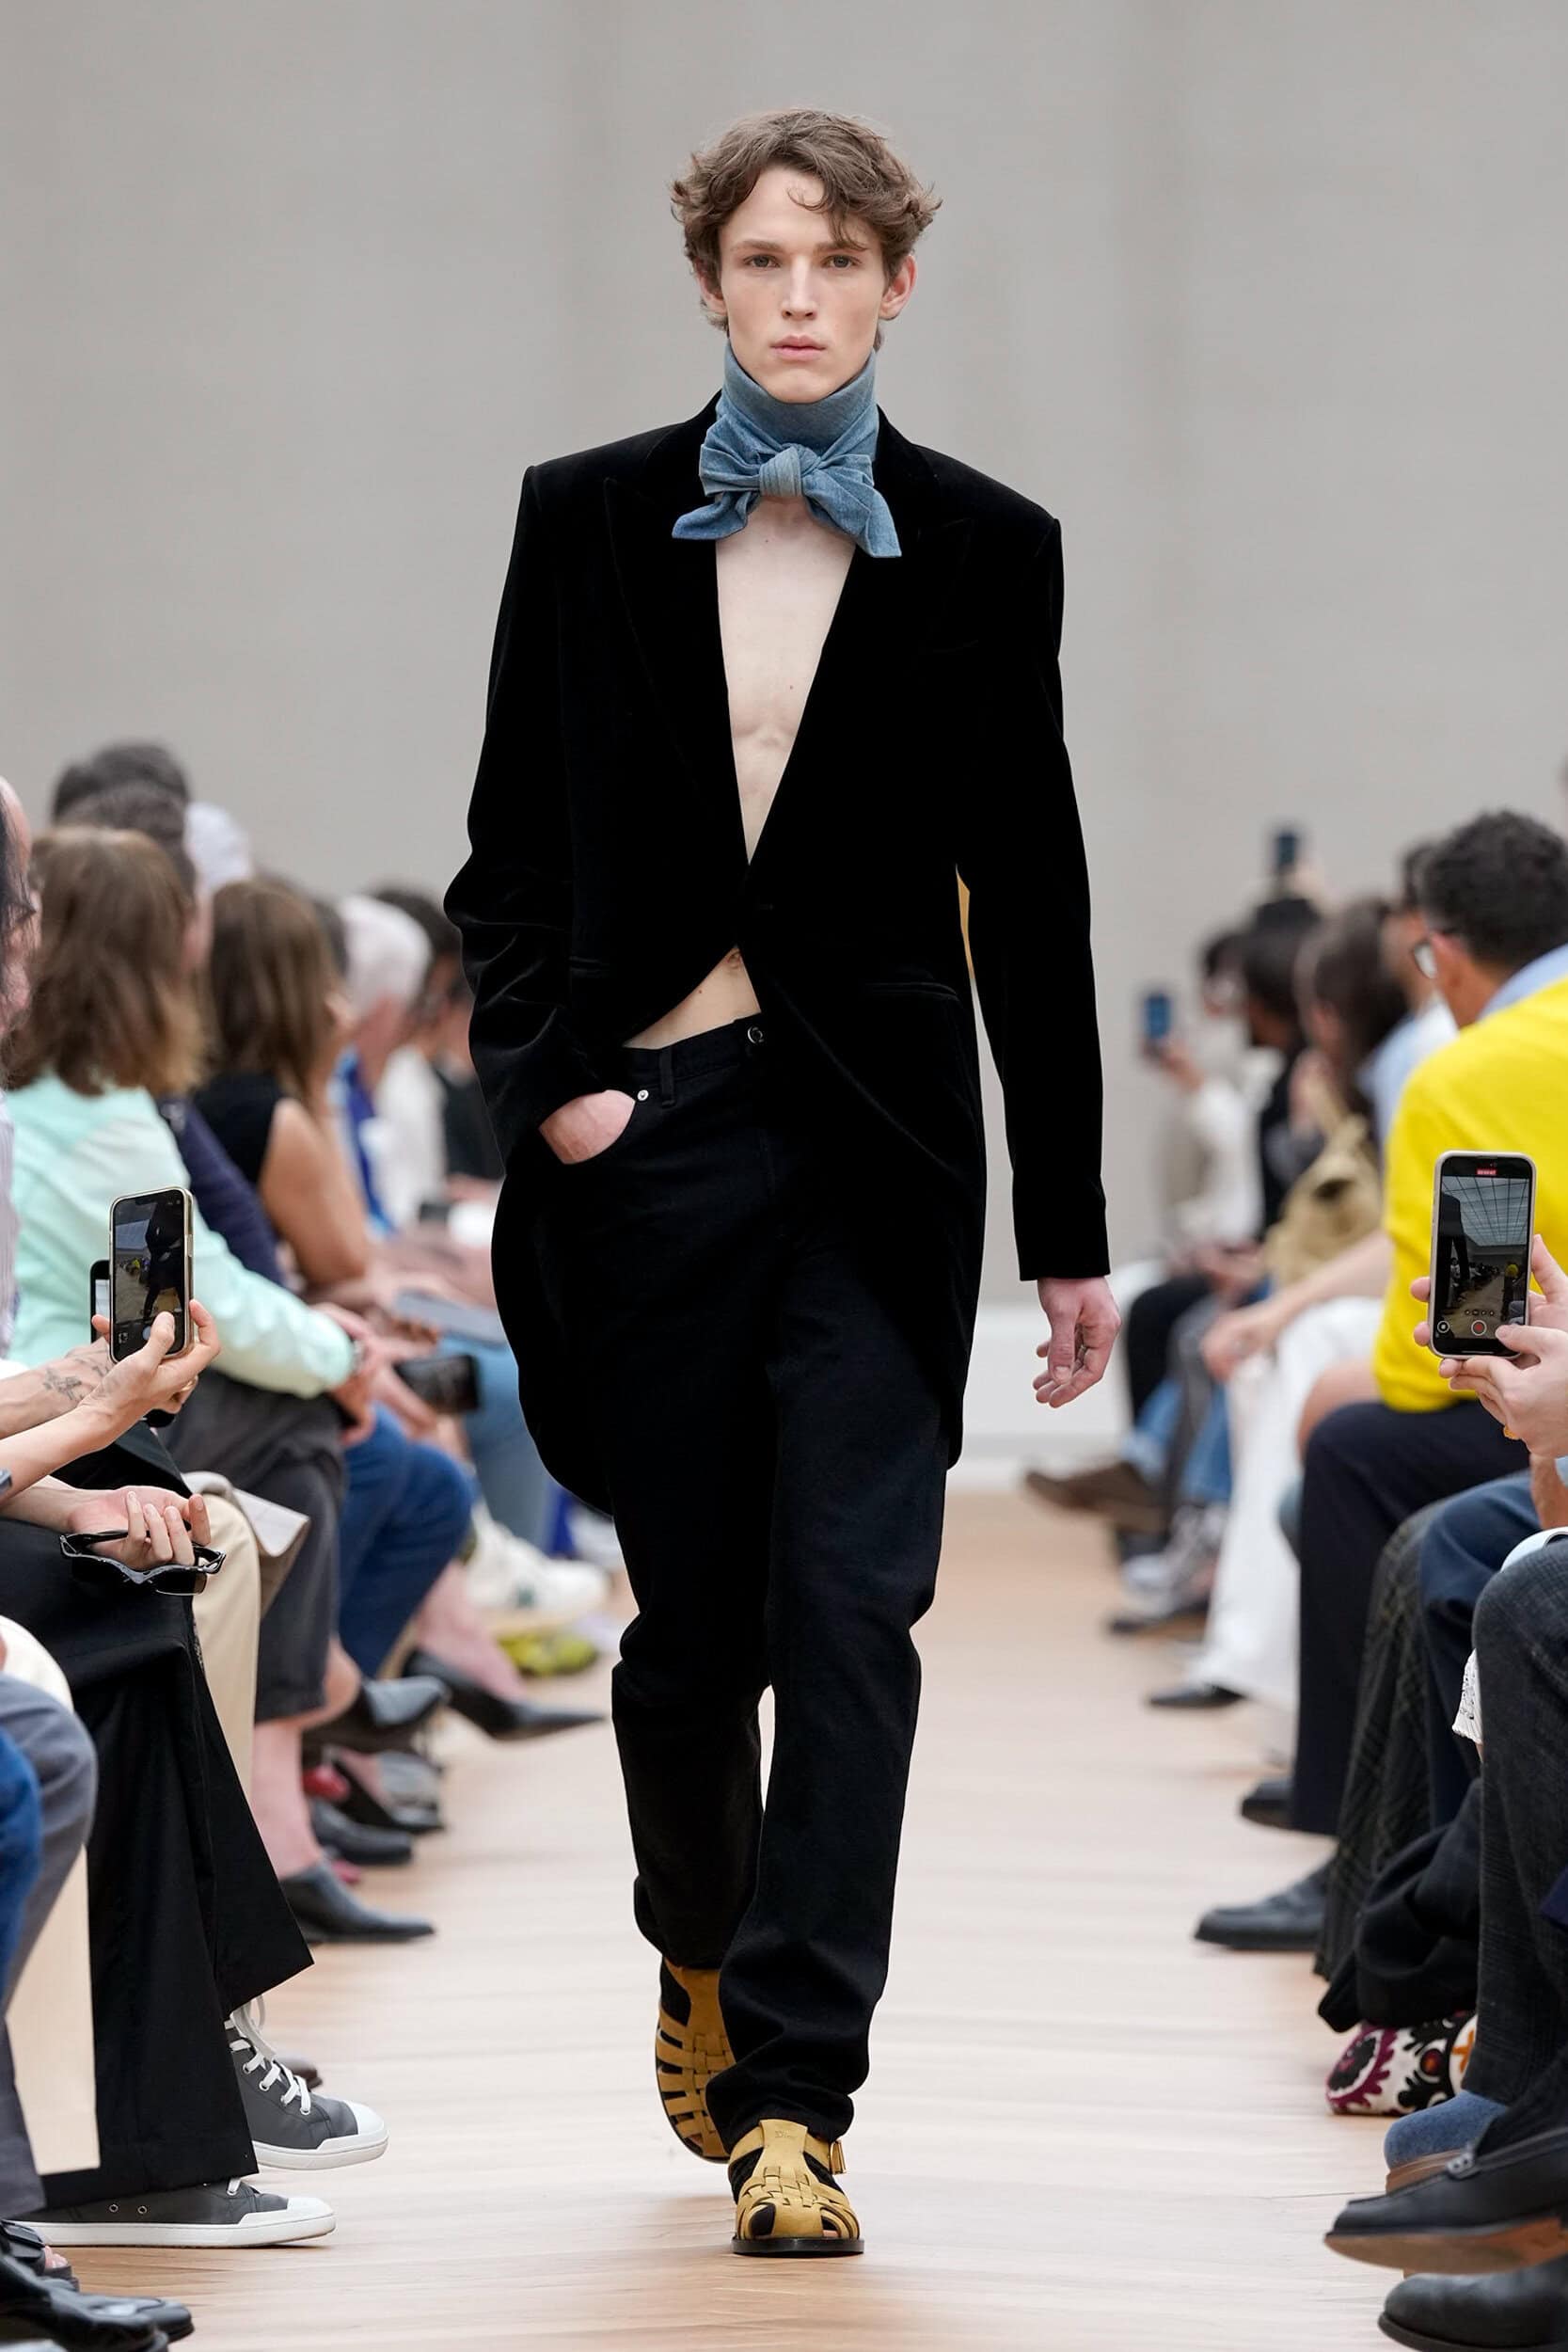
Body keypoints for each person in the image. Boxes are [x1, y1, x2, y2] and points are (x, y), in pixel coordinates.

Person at [447, 106, 1117, 2256]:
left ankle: (795, 2095)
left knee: (852, 1612)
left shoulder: (988, 545)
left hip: (880, 1157)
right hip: (647, 1142)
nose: (800, 295)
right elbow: (507, 856)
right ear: (710, 283)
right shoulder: (581, 517)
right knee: (691, 1634)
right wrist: (555, 1094)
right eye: (762, 259)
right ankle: (698, 1935)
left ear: (898, 284)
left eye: (837, 260)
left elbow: (1033, 894)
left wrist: (1070, 1228)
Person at [1201, 811, 1568, 1955]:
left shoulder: (1465, 1070)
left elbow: (1432, 1363)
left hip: (1535, 1404)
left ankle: (1350, 1842)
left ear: (1440, 952)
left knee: (1349, 1453)